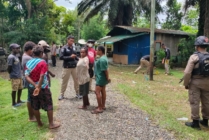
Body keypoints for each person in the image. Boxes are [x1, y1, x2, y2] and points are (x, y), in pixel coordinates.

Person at [25, 45, 60, 129]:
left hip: (31, 88)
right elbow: (42, 76)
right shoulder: (42, 62)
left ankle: (39, 123)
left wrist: (35, 85)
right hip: (43, 87)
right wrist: (39, 86)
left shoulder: (28, 62)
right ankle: (51, 124)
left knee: (35, 105)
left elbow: (26, 76)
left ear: (33, 53)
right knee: (48, 104)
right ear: (41, 53)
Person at [184, 36, 209, 130]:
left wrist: (186, 83)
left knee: (195, 101)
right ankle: (205, 121)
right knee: (206, 102)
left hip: (196, 82)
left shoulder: (194, 57)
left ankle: (195, 123)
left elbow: (187, 72)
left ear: (197, 46)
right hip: (207, 83)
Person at [58, 35, 79, 100]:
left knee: (76, 81)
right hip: (66, 67)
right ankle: (62, 94)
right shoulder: (64, 48)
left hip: (74, 67)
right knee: (64, 81)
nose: (72, 42)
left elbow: (75, 56)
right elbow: (61, 57)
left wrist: (79, 59)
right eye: (71, 40)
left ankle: (78, 93)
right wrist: (70, 57)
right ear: (68, 40)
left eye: (73, 41)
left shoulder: (74, 47)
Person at [92, 46, 110, 114]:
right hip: (102, 78)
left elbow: (105, 70)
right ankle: (103, 105)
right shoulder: (104, 57)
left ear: (100, 51)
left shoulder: (102, 59)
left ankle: (100, 108)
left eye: (97, 50)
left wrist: (107, 78)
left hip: (101, 78)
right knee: (103, 91)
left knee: (97, 92)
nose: (96, 52)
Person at [22, 41, 36, 121]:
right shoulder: (28, 58)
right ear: (29, 49)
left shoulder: (25, 56)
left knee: (32, 97)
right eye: (33, 50)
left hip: (29, 79)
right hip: (29, 80)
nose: (33, 52)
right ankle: (31, 116)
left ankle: (33, 113)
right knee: (30, 98)